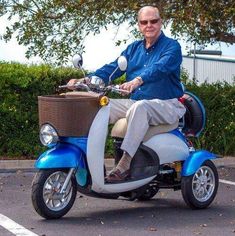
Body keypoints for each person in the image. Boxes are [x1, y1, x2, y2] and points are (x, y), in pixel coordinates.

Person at [67, 6, 186, 182]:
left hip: (167, 104)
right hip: (137, 102)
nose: (149, 25)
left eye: (153, 21)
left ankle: (124, 164)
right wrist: (86, 80)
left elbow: (159, 68)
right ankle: (88, 160)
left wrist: (138, 80)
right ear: (139, 25)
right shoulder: (133, 49)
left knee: (140, 107)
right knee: (99, 104)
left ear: (161, 22)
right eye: (144, 22)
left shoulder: (172, 47)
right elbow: (113, 68)